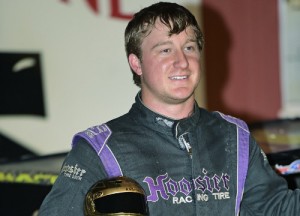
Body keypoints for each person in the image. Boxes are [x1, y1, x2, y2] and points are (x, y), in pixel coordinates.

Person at [39, 2, 300, 215]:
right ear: (137, 63)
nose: (182, 61)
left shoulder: (234, 137)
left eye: (189, 47)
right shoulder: (99, 150)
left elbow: (279, 209)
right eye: (165, 50)